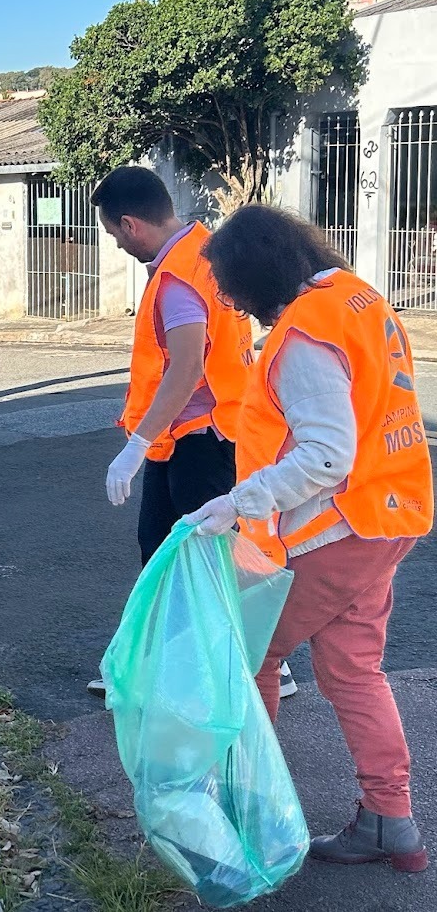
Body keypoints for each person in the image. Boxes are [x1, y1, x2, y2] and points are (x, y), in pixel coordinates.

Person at [187, 205, 433, 873]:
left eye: (232, 290)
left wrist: (239, 500)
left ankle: (251, 813)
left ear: (261, 275)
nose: (231, 303)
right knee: (353, 669)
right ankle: (392, 820)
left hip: (338, 527)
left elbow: (327, 454)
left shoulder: (303, 334)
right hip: (389, 515)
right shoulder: (358, 298)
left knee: (251, 655)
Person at [88, 168, 296, 698]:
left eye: (113, 233)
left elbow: (185, 368)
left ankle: (244, 666)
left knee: (201, 555)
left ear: (131, 224)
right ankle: (156, 662)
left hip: (198, 439)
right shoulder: (205, 250)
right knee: (166, 548)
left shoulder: (177, 278)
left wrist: (134, 446)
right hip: (208, 432)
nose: (115, 243)